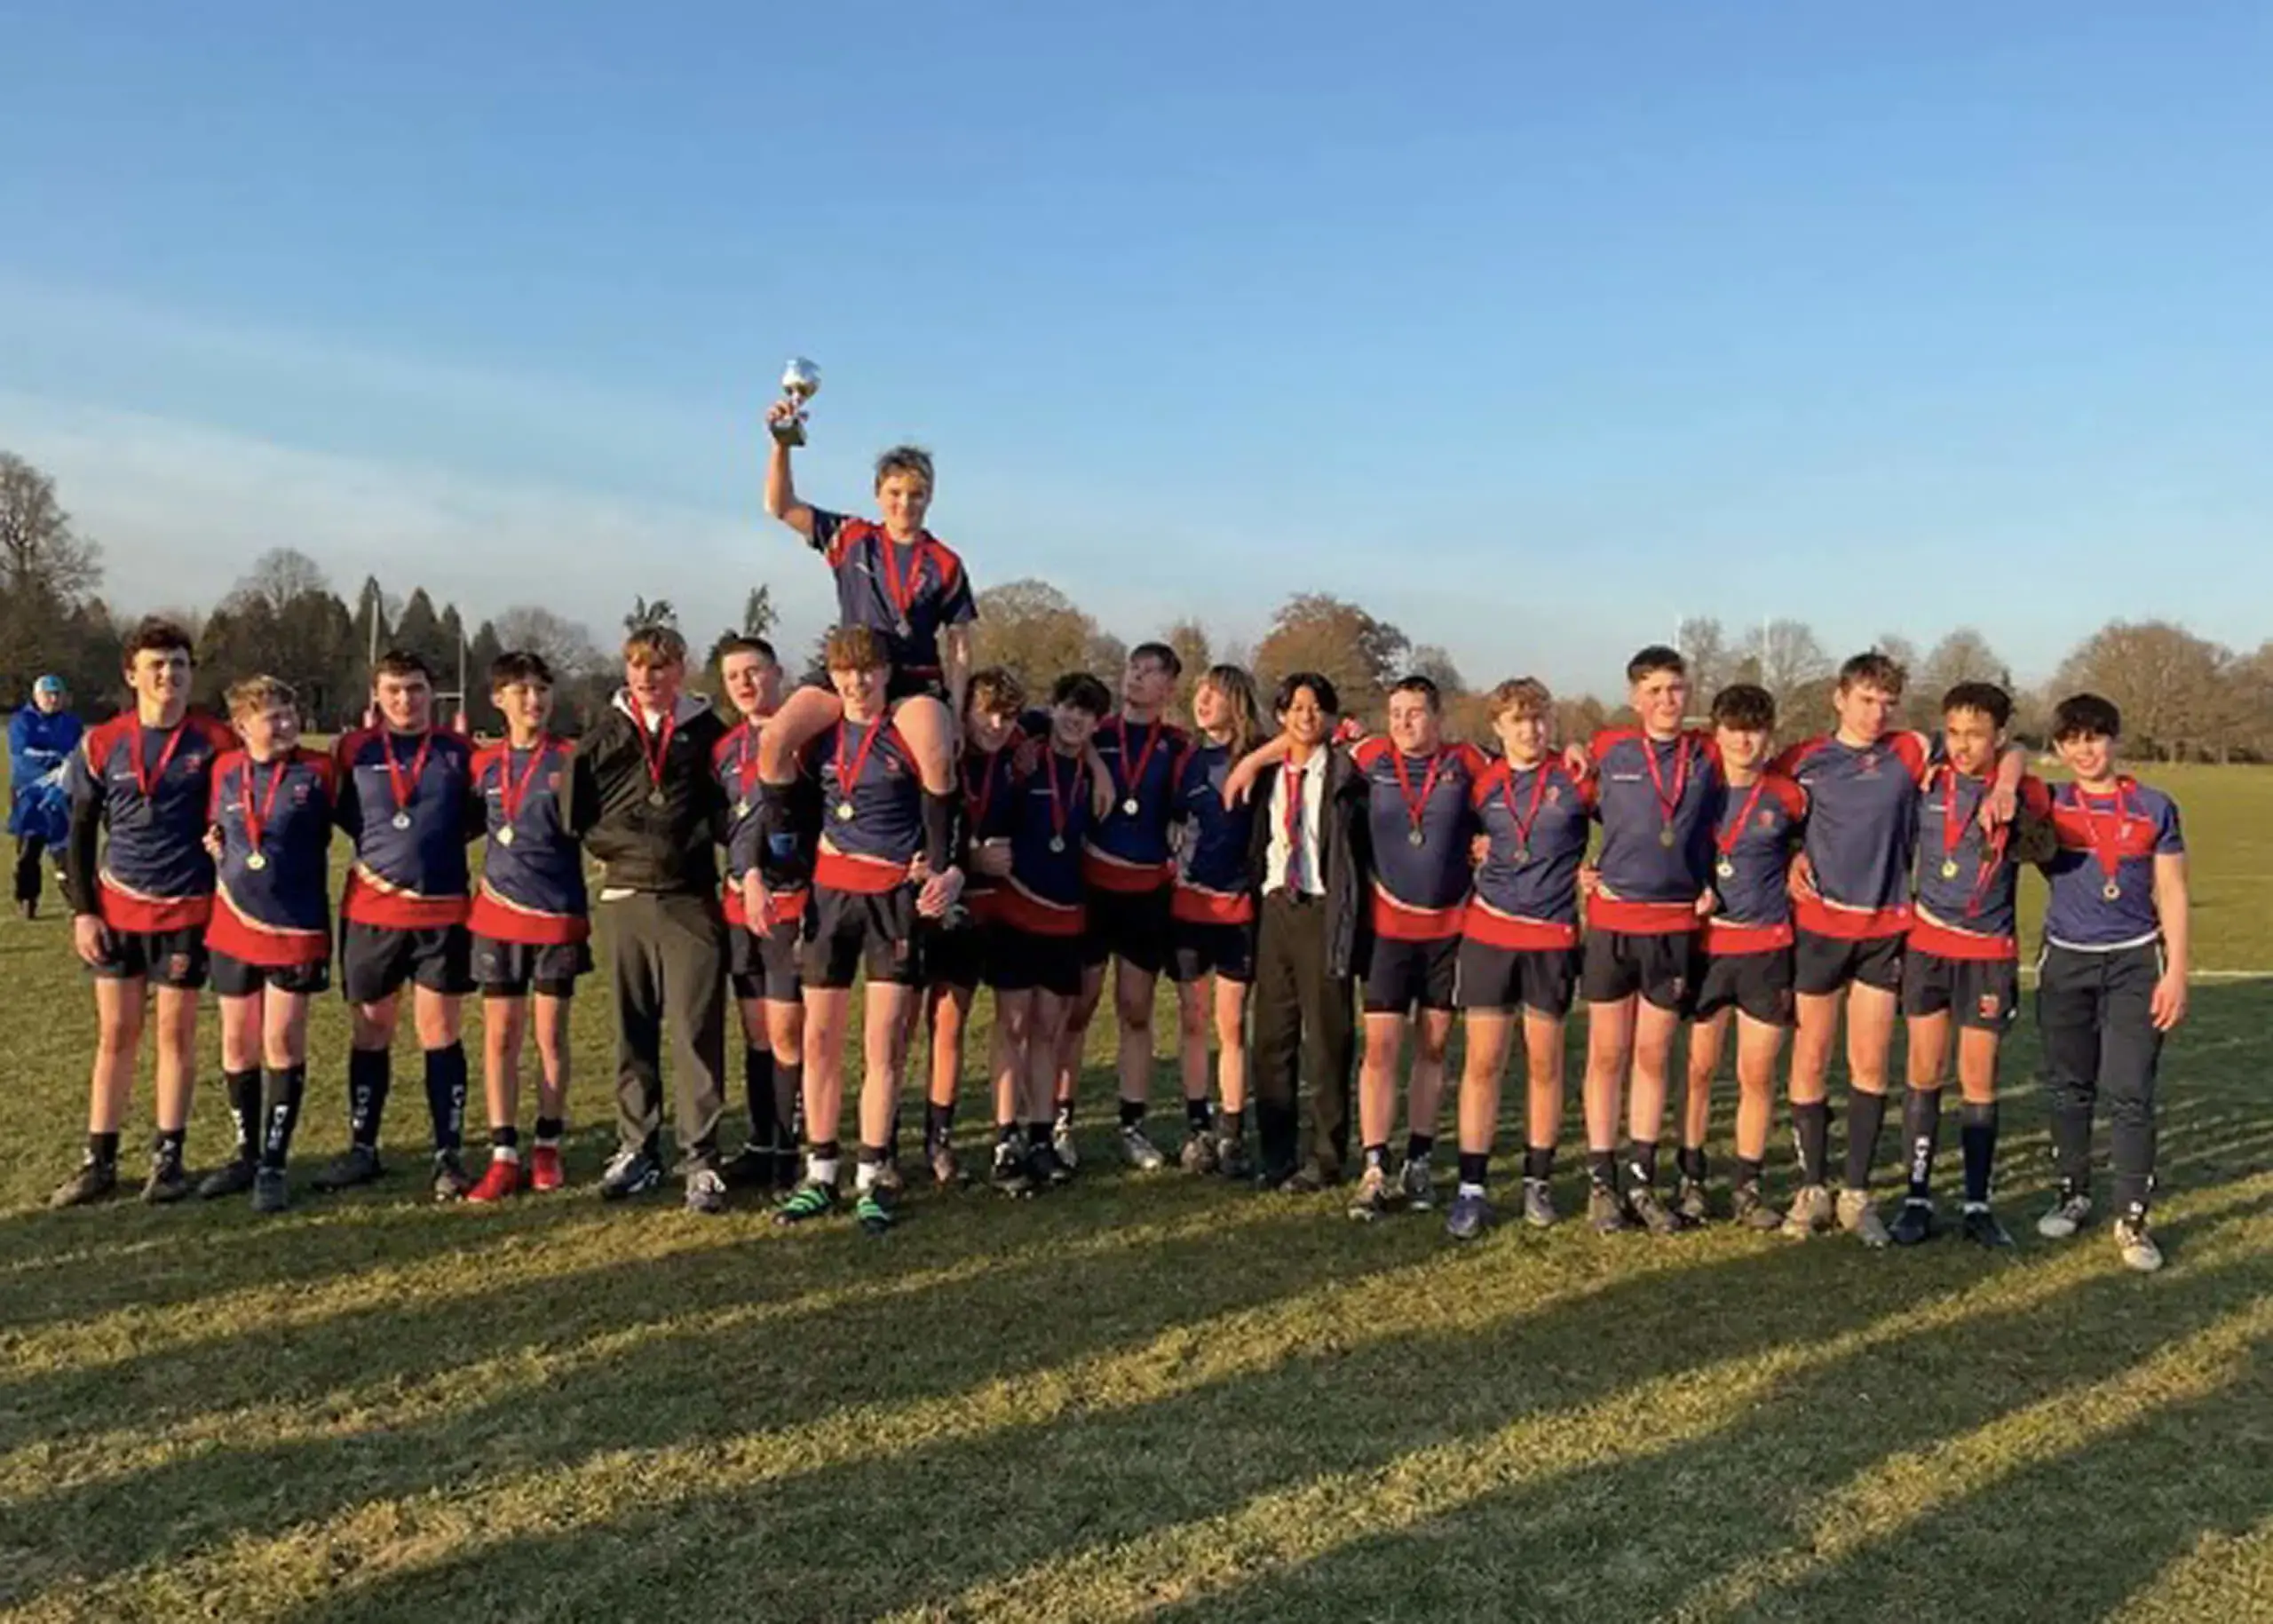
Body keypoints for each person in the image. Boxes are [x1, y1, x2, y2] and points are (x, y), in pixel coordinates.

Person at [1774, 651, 2023, 1245]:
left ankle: (1857, 1194)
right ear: (1839, 697)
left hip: (1885, 931)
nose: (1876, 711)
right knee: (1810, 1058)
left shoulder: (1911, 750)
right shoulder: (1803, 758)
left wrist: (2010, 777)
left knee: (1870, 1061)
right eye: (1865, 699)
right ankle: (1813, 1187)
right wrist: (1788, 854)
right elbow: (1756, 799)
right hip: (1818, 928)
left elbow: (2003, 743)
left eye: (1887, 701)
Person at [770, 626, 962, 1235]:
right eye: (845, 671)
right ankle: (820, 1170)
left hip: (890, 900)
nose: (857, 682)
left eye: (868, 670)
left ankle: (872, 1173)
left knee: (884, 1043)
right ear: (831, 675)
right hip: (830, 897)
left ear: (885, 673)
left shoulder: (908, 729)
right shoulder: (821, 735)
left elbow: (945, 806)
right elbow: (786, 801)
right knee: (821, 1040)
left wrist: (938, 865)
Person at [51, 619, 234, 1207]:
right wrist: (84, 911)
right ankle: (98, 1160)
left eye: (179, 664)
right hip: (118, 909)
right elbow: (78, 830)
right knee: (115, 1034)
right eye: (156, 665)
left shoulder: (215, 740)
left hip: (186, 911)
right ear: (132, 675)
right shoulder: (103, 742)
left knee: (175, 1035)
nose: (169, 675)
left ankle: (168, 1158)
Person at [565, 624, 734, 1213]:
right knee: (631, 1028)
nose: (647, 678)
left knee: (696, 1029)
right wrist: (624, 845)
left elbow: (728, 811)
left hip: (690, 896)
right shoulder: (604, 732)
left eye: (659, 668)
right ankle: (637, 1147)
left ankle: (702, 1159)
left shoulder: (710, 732)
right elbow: (576, 813)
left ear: (680, 669)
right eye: (637, 667)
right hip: (624, 898)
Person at [1887, 682, 2055, 1248]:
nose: (1962, 745)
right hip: (1928, 948)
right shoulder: (1927, 781)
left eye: (1976, 735)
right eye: (1954, 732)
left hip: (1987, 955)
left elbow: (2023, 758)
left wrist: (2008, 778)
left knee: (1979, 1080)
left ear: (1999, 737)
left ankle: (1978, 1204)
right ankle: (1916, 1197)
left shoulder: (2023, 791)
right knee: (1923, 1071)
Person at [313, 651, 479, 1201]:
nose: (405, 701)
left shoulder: (460, 753)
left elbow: (477, 817)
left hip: (443, 913)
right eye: (394, 691)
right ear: (377, 697)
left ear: (432, 694)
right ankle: (363, 1148)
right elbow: (334, 811)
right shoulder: (353, 751)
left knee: (440, 1032)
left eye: (414, 689)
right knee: (371, 1030)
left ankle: (447, 1154)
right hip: (372, 914)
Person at [2032, 693, 2190, 1273]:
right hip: (2066, 961)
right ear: (2058, 746)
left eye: (2095, 737)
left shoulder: (2154, 805)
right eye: (2072, 739)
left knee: (2130, 1090)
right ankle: (2072, 1193)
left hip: (2133, 962)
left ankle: (2132, 1217)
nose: (2084, 749)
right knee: (2070, 1086)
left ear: (2114, 740)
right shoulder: (2046, 802)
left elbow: (2171, 889)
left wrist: (2176, 970)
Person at [1578, 647, 1719, 1236]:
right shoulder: (1609, 750)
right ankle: (1601, 1182)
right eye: (1655, 690)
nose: (1667, 700)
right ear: (1636, 697)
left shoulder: (1706, 754)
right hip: (1613, 921)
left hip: (1672, 925)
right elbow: (1559, 811)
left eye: (1677, 689)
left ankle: (1642, 1178)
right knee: (1607, 1054)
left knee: (1654, 1054)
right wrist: (1576, 870)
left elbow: (1737, 811)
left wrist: (1713, 875)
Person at [1448, 677, 1592, 1238]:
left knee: (1544, 1064)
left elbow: (1635, 825)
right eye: (1518, 720)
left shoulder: (1577, 779)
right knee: (1483, 1063)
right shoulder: (1481, 784)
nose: (1530, 730)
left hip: (1551, 939)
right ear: (1498, 728)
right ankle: (1472, 1187)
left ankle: (1538, 1181)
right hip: (1489, 935)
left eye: (1539, 719)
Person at [1342, 677, 1488, 1222]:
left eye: (1415, 712)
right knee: (1380, 1048)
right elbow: (1301, 743)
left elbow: (1524, 771)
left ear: (1438, 717)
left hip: (1448, 932)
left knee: (1432, 1047)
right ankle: (1375, 1165)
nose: (1403, 722)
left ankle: (1419, 1157)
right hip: (1387, 931)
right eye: (1395, 712)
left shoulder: (1468, 761)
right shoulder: (1370, 756)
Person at [756, 435, 972, 794]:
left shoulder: (946, 563)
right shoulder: (851, 537)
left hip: (912, 680)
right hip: (850, 670)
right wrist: (781, 445)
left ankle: (938, 848)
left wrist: (958, 713)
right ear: (878, 495)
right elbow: (780, 506)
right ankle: (785, 843)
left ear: (930, 496)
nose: (905, 503)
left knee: (937, 757)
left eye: (916, 494)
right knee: (775, 739)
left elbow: (960, 647)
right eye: (895, 492)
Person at [201, 676, 334, 1213]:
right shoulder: (225, 770)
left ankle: (275, 1164)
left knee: (281, 1041)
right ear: (241, 726)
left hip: (295, 925)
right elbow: (219, 828)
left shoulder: (319, 772)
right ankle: (246, 1154)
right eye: (270, 717)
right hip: (232, 922)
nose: (283, 725)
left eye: (287, 713)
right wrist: (216, 845)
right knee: (237, 1044)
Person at [463, 652, 591, 1203]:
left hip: (556, 917)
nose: (532, 701)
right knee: (500, 1038)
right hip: (495, 917)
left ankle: (547, 1144)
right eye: (519, 691)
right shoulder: (483, 764)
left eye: (541, 690)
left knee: (549, 1038)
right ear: (498, 699)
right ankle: (503, 1153)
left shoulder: (571, 759)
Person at [1680, 684, 1807, 1232]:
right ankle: (1690, 1179)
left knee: (1756, 1074)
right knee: (1699, 1071)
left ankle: (1747, 1187)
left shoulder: (1789, 796)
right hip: (1705, 949)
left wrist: (1800, 859)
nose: (1744, 740)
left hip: (1766, 948)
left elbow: (1812, 844)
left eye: (1755, 729)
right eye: (1733, 728)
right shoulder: (1693, 789)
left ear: (1769, 735)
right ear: (1717, 732)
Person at [1059, 643, 1190, 1170]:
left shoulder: (1177, 745)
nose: (1135, 677)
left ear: (1169, 689)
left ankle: (1132, 1125)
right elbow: (1053, 726)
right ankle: (1060, 1119)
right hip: (1094, 888)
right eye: (1132, 668)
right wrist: (1096, 761)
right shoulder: (1098, 733)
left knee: (1135, 1010)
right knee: (1079, 1008)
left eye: (1149, 672)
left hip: (1147, 894)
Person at [1239, 673, 1366, 1193]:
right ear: (1280, 715)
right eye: (1295, 707)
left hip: (1321, 909)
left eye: (1315, 708)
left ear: (1331, 717)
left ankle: (1327, 1155)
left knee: (1328, 1038)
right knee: (1272, 1037)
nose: (1305, 716)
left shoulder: (1346, 774)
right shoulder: (1267, 774)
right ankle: (1275, 1153)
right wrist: (1253, 760)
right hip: (1275, 909)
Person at [985, 672, 1108, 1194]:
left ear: (1097, 723)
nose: (1074, 719)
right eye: (1067, 707)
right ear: (1052, 708)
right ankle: (1004, 1136)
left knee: (1049, 1029)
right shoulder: (1022, 760)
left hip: (1067, 916)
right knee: (1011, 1024)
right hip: (1017, 910)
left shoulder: (1095, 774)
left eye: (1086, 713)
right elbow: (991, 825)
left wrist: (1101, 769)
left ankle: (1040, 1135)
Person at [917, 668, 1032, 1187]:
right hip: (953, 905)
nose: (995, 724)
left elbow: (1061, 725)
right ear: (962, 712)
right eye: (985, 712)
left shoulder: (1021, 755)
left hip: (1006, 909)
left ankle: (1007, 1134)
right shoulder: (945, 757)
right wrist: (971, 860)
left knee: (1013, 1023)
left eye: (1006, 716)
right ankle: (937, 1135)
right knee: (947, 1023)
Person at [715, 635, 809, 1193]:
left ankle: (792, 1151)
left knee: (785, 1031)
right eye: (733, 677)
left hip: (788, 903)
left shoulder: (807, 739)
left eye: (755, 672)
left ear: (778, 673)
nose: (746, 684)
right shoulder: (724, 748)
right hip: (736, 906)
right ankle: (761, 1141)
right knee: (754, 1033)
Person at [1164, 664, 1265, 1179]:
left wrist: (1255, 761)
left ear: (1238, 702)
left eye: (1215, 694)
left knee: (1231, 1024)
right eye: (1200, 692)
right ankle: (1197, 1125)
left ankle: (1231, 1132)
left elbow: (1302, 740)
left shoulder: (1258, 756)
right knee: (1192, 1020)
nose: (1203, 701)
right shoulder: (1185, 758)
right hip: (1187, 908)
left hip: (1236, 910)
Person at [11, 674, 81, 918]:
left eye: (57, 694)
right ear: (36, 696)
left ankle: (76, 902)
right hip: (29, 793)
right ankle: (27, 898)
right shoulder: (23, 721)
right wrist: (56, 760)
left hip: (63, 792)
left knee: (66, 849)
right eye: (48, 694)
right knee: (29, 849)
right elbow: (23, 753)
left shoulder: (71, 723)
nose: (53, 699)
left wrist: (67, 770)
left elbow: (79, 752)